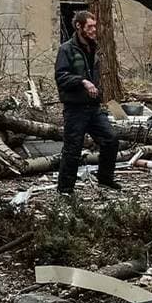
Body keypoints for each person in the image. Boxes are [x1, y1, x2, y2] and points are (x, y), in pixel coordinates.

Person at [53, 11, 120, 193]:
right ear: (79, 27)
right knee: (72, 149)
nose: (93, 30)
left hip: (93, 107)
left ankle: (105, 179)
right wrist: (82, 81)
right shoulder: (66, 49)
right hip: (75, 108)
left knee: (110, 139)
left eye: (94, 26)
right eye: (89, 26)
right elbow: (61, 77)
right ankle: (65, 190)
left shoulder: (94, 47)